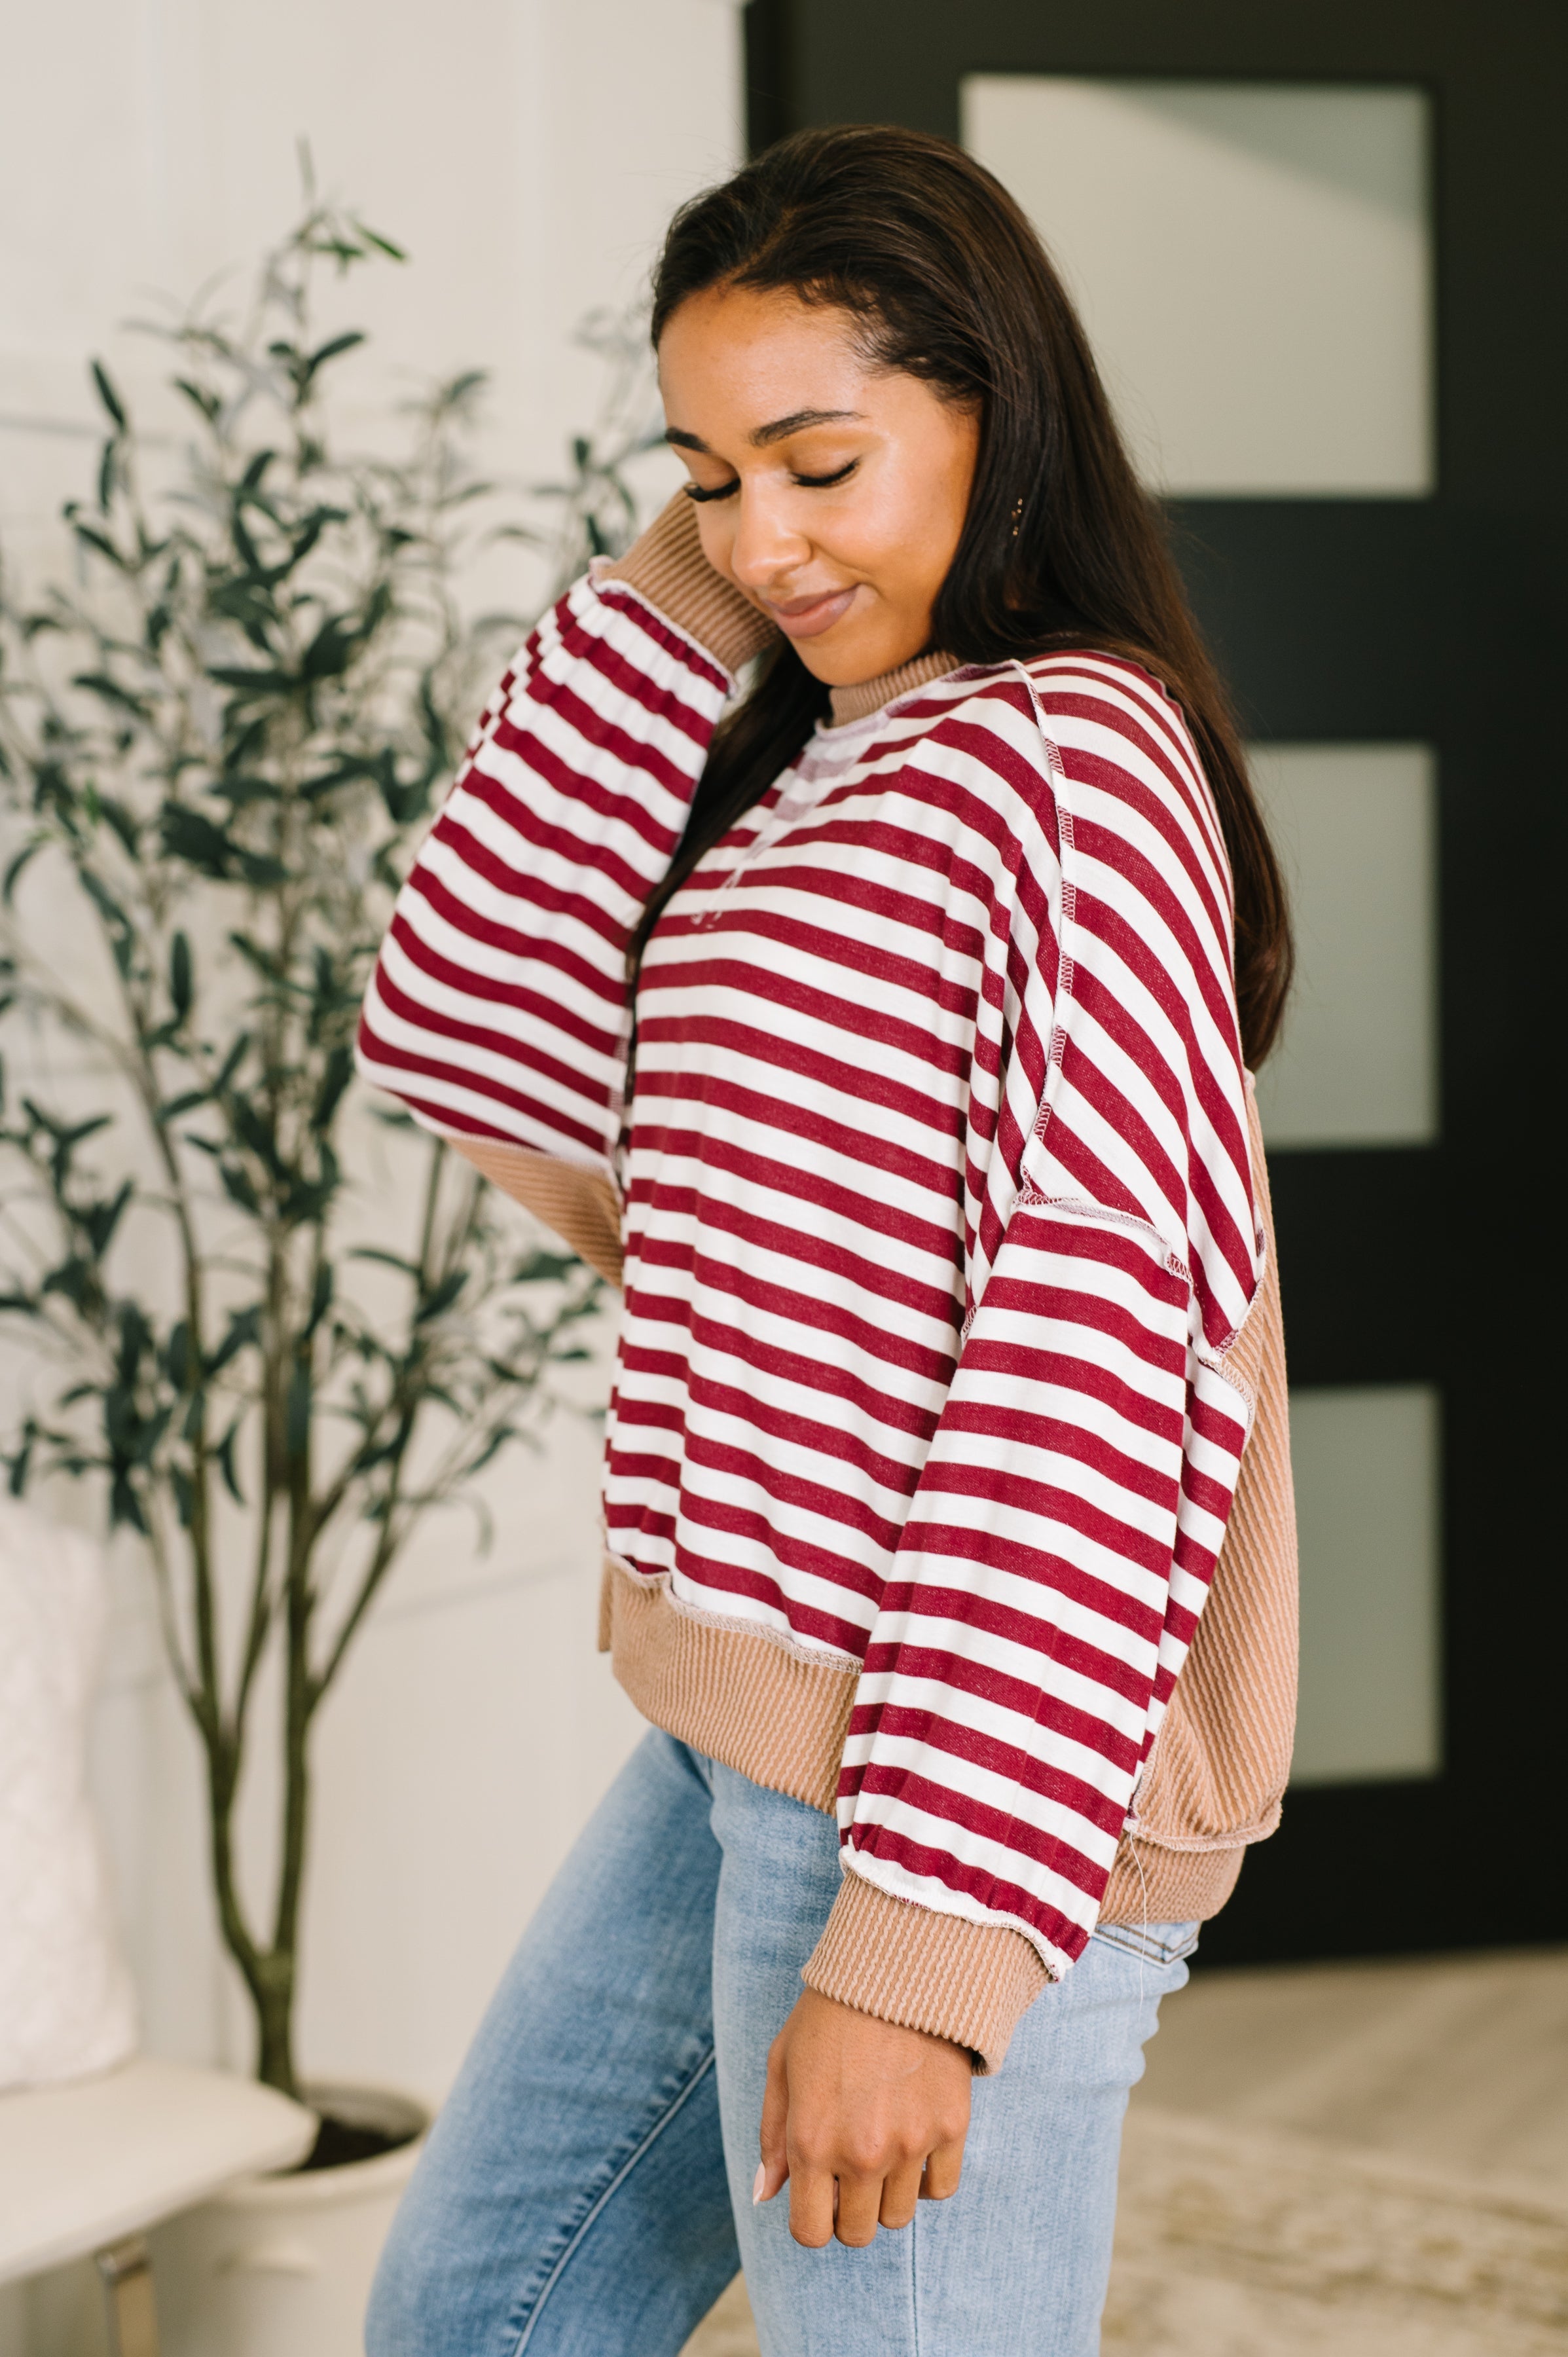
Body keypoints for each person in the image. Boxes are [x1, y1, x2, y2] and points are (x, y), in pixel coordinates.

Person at [358, 123, 1297, 2357]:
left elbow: (1086, 1358)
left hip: (963, 1780)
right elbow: (458, 1003)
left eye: (819, 460)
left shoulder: (1068, 762)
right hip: (745, 1722)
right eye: (702, 471)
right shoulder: (822, 766)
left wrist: (920, 1950)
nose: (757, 535)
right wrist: (734, 565)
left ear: (995, 411)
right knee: (472, 2319)